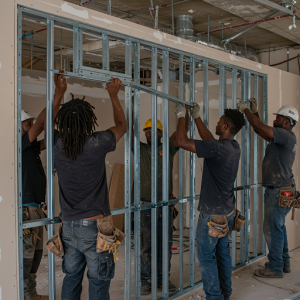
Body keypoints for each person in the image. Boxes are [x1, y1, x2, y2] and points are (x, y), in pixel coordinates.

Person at [53, 78, 126, 300]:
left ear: (63, 122)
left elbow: (48, 122)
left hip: (69, 228)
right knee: (98, 281)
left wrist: (59, 92)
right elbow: (122, 125)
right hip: (96, 228)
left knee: (71, 277)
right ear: (88, 123)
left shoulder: (57, 144)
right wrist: (113, 94)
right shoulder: (97, 142)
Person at [175, 103, 246, 300]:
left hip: (211, 217)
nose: (216, 122)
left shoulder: (218, 148)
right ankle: (225, 294)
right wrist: (197, 117)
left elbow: (181, 141)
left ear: (225, 127)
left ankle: (214, 297)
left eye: (219, 120)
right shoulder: (233, 147)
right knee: (222, 255)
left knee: (206, 257)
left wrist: (181, 116)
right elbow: (210, 142)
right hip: (227, 213)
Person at [237, 99, 298, 278]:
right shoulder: (281, 137)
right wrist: (254, 112)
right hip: (283, 189)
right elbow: (258, 128)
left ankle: (275, 267)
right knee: (278, 227)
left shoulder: (284, 135)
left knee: (272, 229)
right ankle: (283, 263)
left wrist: (245, 109)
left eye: (278, 117)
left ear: (287, 121)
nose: (275, 119)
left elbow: (258, 126)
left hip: (278, 190)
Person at [131, 107, 190, 295]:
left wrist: (184, 114)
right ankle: (146, 280)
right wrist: (131, 111)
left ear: (160, 133)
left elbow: (182, 133)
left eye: (153, 131)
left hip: (164, 205)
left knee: (164, 245)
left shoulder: (168, 148)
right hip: (145, 205)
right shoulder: (139, 149)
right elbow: (128, 132)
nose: (149, 134)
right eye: (146, 131)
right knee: (145, 246)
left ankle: (162, 278)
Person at [22, 73, 67, 300]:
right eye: (27, 124)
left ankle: (30, 294)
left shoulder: (30, 149)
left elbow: (49, 137)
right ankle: (23, 294)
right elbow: (41, 124)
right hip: (27, 211)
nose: (32, 126)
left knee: (36, 256)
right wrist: (58, 94)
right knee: (26, 258)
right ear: (21, 129)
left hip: (37, 209)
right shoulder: (21, 145)